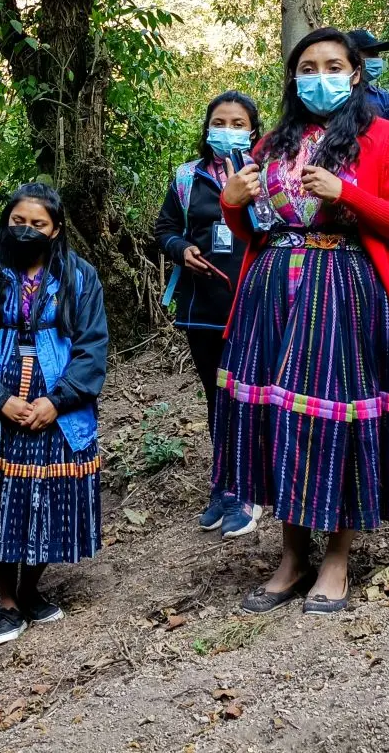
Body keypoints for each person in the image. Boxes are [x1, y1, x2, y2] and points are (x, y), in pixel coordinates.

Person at [216, 27, 389, 616]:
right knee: (277, 421)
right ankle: (291, 556)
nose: (319, 76)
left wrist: (348, 192)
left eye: (332, 65)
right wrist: (232, 202)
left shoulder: (385, 139)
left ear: (356, 73)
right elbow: (254, 230)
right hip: (270, 296)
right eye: (307, 66)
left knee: (335, 420)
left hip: (343, 290)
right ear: (293, 77)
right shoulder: (273, 143)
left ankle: (336, 557)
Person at [0, 184, 109, 649]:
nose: (26, 231)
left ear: (56, 230)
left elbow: (92, 347)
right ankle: (7, 601)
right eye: (18, 222)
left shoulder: (80, 276)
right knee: (2, 500)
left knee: (49, 497)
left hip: (58, 409)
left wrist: (58, 400)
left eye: (38, 225)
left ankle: (31, 589)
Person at [153, 92, 266, 539]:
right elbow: (165, 229)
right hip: (203, 307)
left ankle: (249, 491)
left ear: (253, 130)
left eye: (238, 122)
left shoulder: (264, 174)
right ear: (206, 127)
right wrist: (183, 250)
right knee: (216, 397)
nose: (228, 129)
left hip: (255, 302)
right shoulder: (187, 177)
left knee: (249, 395)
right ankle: (223, 485)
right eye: (220, 121)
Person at [347, 28, 389, 128]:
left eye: (377, 54)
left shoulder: (385, 98)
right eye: (371, 53)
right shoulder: (336, 95)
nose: (377, 59)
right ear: (353, 56)